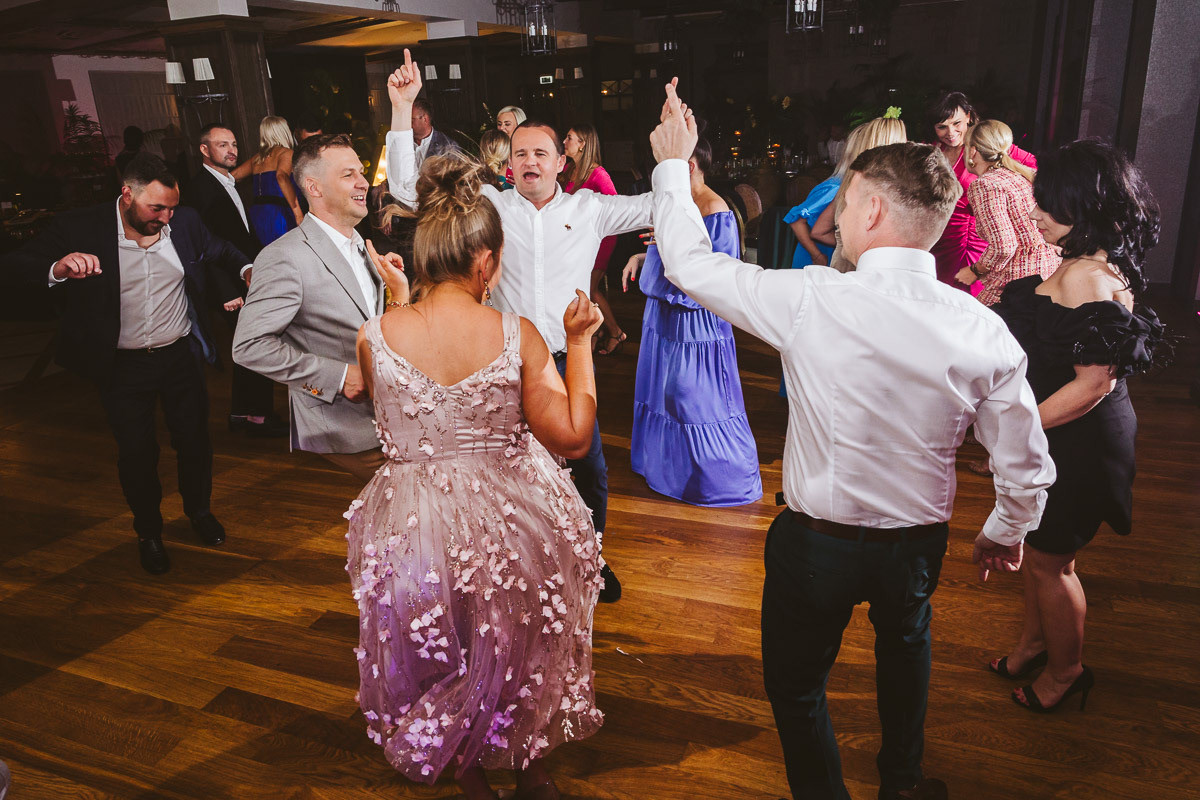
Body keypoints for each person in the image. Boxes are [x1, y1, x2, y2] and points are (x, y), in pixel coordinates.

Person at [648, 82, 1055, 800]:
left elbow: (690, 266)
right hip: (916, 548)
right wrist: (1005, 530)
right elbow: (1023, 460)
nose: (834, 215)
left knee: (797, 686)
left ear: (871, 209)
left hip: (817, 548)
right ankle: (902, 784)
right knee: (906, 649)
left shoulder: (813, 299)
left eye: (844, 198)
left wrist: (673, 165)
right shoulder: (981, 327)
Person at [348, 150, 605, 800]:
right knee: (515, 644)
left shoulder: (373, 336)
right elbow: (572, 437)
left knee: (442, 649)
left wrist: (399, 304)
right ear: (485, 262)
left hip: (413, 529)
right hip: (509, 523)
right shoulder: (517, 334)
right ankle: (531, 769)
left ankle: (468, 777)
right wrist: (578, 342)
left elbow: (394, 402)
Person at [387, 49, 650, 603]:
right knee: (509, 475)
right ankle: (521, 564)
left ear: (561, 162)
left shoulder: (592, 209)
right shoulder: (491, 205)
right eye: (520, 152)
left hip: (566, 361)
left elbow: (660, 207)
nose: (529, 161)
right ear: (509, 163)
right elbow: (409, 192)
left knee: (588, 469)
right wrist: (402, 107)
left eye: (540, 153)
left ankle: (591, 560)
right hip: (502, 363)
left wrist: (677, 160)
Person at [2, 153, 251, 574]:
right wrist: (57, 268)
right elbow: (13, 265)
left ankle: (199, 512)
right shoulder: (81, 227)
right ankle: (148, 532)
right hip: (123, 366)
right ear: (127, 195)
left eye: (172, 208)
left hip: (179, 356)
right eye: (157, 209)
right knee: (137, 452)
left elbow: (221, 249)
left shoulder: (185, 222)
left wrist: (246, 269)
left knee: (194, 442)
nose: (166, 218)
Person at [988, 139, 1165, 713]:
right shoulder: (1086, 262)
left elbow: (1094, 385)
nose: (1035, 212)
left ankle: (1066, 672)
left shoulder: (1088, 276)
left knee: (1051, 561)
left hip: (1080, 438)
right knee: (1041, 548)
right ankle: (1033, 645)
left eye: (1047, 203)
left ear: (1084, 207)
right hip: (1065, 432)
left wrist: (1018, 427)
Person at [233, 134, 406, 483]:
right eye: (348, 175)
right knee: (418, 497)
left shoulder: (362, 244)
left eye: (361, 172)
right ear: (314, 187)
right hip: (345, 424)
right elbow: (249, 346)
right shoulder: (284, 256)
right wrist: (338, 377)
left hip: (391, 416)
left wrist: (395, 291)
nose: (363, 182)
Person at [620, 134, 761, 507]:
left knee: (694, 397)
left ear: (688, 165)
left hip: (694, 323)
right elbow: (674, 251)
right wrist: (642, 255)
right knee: (663, 393)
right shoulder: (678, 202)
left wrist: (660, 252)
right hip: (664, 314)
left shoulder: (715, 210)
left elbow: (712, 276)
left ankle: (714, 479)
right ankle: (665, 468)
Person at [186, 123, 286, 438]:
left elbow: (239, 234)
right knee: (256, 342)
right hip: (231, 285)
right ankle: (254, 415)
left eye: (233, 144)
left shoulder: (227, 181)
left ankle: (245, 413)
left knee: (252, 343)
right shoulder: (201, 189)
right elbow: (205, 246)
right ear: (204, 150)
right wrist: (226, 290)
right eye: (222, 145)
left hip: (245, 276)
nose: (231, 151)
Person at [926, 91, 1037, 290]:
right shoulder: (933, 151)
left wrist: (1011, 204)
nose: (950, 132)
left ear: (969, 117)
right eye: (942, 127)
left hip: (973, 245)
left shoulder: (987, 146)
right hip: (939, 241)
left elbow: (1034, 166)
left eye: (956, 123)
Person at [953, 120, 1060, 304]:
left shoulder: (985, 185)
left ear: (973, 151)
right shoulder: (1017, 175)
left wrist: (974, 270)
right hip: (1045, 269)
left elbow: (1003, 247)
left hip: (1018, 280)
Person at [810, 115, 908, 273]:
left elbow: (818, 231)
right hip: (862, 271)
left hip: (843, 267)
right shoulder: (880, 193)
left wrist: (843, 245)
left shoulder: (848, 186)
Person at [564, 124, 626, 355]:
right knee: (581, 287)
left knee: (589, 288)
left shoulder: (598, 174)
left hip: (601, 238)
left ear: (582, 144)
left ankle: (615, 332)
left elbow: (616, 206)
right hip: (579, 238)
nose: (564, 142)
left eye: (569, 138)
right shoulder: (570, 170)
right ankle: (597, 332)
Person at [233, 115, 304, 245]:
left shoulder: (257, 158)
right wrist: (298, 213)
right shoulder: (286, 153)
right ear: (284, 131)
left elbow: (233, 177)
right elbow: (281, 176)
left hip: (256, 215)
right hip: (280, 215)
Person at [411, 97, 461, 172]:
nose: (406, 124)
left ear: (425, 119)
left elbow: (453, 176)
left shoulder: (448, 147)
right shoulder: (402, 143)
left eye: (412, 120)